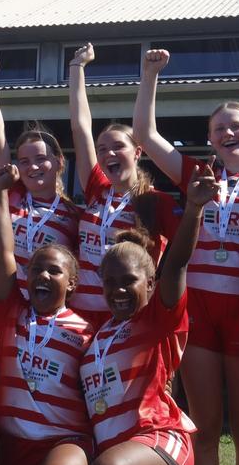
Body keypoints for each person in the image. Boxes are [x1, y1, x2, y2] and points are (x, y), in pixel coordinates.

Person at [133, 48, 239, 465]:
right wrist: (149, 75)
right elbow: (145, 135)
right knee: (207, 427)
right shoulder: (197, 173)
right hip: (200, 314)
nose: (226, 135)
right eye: (218, 129)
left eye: (236, 126)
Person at [83, 164, 230, 465]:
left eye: (128, 281)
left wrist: (194, 211)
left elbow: (179, 260)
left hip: (160, 442)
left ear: (150, 282)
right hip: (122, 457)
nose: (118, 290)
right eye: (109, 283)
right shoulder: (98, 336)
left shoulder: (160, 317)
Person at [0, 162, 95, 465]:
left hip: (63, 442)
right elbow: (3, 252)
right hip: (16, 447)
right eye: (37, 269)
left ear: (73, 283)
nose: (43, 275)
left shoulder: (86, 332)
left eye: (55, 270)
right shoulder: (11, 310)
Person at [67, 43, 181, 327]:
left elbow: (180, 259)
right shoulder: (97, 188)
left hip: (130, 315)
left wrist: (149, 74)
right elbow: (80, 127)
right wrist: (76, 68)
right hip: (81, 313)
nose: (108, 154)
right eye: (102, 149)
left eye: (118, 146)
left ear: (138, 152)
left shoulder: (157, 202)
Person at [0, 54, 81, 299]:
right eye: (24, 161)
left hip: (40, 308)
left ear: (59, 161)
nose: (32, 167)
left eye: (40, 159)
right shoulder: (11, 194)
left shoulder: (73, 217)